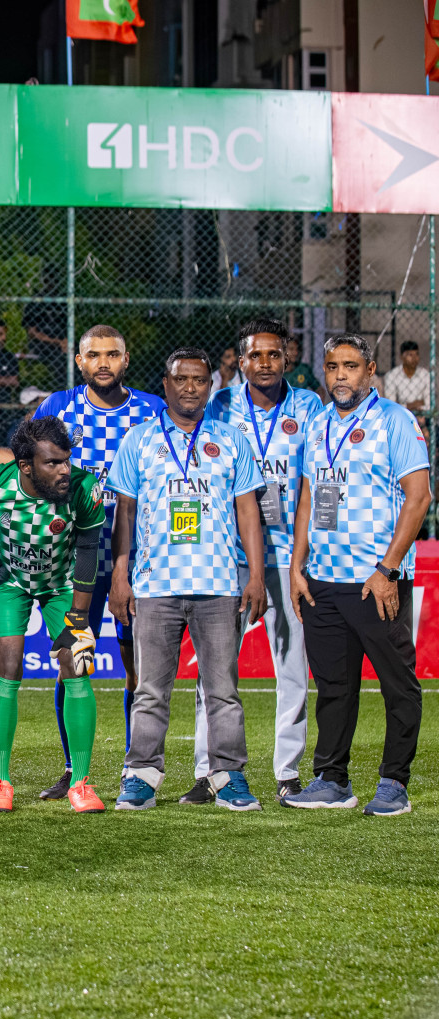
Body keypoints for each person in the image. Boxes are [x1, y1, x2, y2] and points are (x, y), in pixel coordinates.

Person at [0, 324, 164, 801]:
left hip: (121, 560)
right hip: (32, 575)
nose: (104, 362)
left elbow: (92, 543)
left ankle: (134, 770)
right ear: (79, 360)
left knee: (123, 665)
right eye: (94, 354)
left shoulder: (149, 413)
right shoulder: (52, 412)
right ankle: (49, 774)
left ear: (126, 359)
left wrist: (79, 614)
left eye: (113, 353)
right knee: (34, 661)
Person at [108, 348, 268, 812]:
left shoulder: (231, 439)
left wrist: (254, 575)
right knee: (151, 689)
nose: (191, 388)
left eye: (200, 380)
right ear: (166, 384)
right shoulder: (139, 440)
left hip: (219, 584)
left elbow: (247, 511)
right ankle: (141, 776)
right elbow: (126, 511)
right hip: (155, 585)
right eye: (182, 379)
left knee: (223, 690)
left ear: (209, 387)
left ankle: (228, 775)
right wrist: (121, 572)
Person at [285, 332, 431, 816]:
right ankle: (332, 779)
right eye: (332, 367)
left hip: (377, 581)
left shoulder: (396, 421)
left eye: (350, 366)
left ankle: (394, 783)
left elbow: (419, 498)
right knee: (333, 687)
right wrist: (297, 565)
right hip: (323, 581)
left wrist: (387, 569)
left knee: (397, 685)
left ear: (371, 371)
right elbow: (308, 496)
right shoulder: (316, 422)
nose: (340, 375)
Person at [192, 318, 322, 805]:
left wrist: (304, 556)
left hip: (288, 556)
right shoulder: (221, 405)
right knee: (215, 670)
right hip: (229, 555)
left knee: (292, 666)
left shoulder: (308, 405)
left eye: (274, 354)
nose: (265, 363)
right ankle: (210, 772)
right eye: (255, 356)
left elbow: (313, 481)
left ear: (286, 358)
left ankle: (287, 772)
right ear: (239, 361)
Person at [0, 417, 107, 813]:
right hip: (10, 584)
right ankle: (0, 782)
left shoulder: (84, 490)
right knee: (8, 665)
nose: (63, 470)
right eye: (52, 463)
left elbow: (90, 552)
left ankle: (81, 784)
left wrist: (78, 619)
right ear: (26, 466)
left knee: (78, 667)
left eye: (66, 461)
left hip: (64, 588)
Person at [381, 341, 431, 419]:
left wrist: (404, 405)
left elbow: (428, 404)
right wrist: (412, 405)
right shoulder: (392, 375)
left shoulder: (425, 375)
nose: (414, 358)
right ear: (402, 357)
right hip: (400, 416)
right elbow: (391, 405)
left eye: (417, 354)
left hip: (422, 416)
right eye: (410, 355)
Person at [283, 335, 324, 400]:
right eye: (291, 349)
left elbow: (320, 390)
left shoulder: (303, 370)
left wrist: (317, 408)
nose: (295, 353)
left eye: (297, 349)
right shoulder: (276, 372)